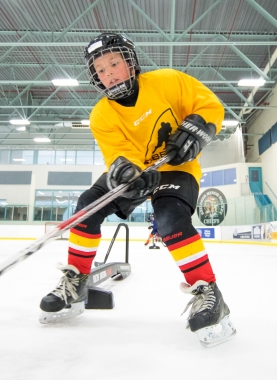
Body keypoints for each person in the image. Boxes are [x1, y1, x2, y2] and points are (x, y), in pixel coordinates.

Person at [40, 33, 235, 345]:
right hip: (137, 173)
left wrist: (199, 126)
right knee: (87, 206)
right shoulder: (101, 114)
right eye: (101, 70)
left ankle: (209, 293)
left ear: (130, 62)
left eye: (114, 63)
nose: (109, 73)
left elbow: (209, 105)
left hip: (177, 168)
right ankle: (76, 282)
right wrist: (127, 171)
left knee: (170, 220)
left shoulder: (169, 81)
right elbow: (118, 154)